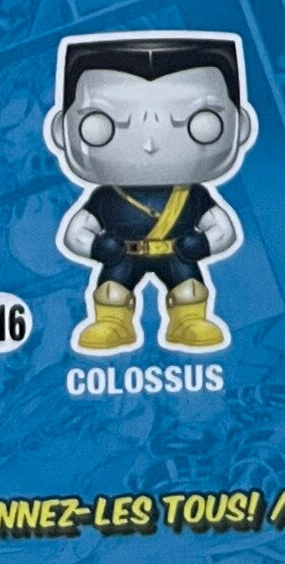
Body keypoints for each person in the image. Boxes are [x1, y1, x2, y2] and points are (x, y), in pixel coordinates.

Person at [46, 32, 257, 353]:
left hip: (177, 254)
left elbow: (223, 230)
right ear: (61, 131)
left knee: (188, 291)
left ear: (240, 127)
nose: (149, 144)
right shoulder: (106, 197)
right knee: (112, 293)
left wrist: (202, 243)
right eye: (102, 125)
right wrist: (97, 246)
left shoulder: (193, 196)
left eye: (199, 123)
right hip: (123, 255)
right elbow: (76, 233)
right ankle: (112, 322)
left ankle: (188, 320)